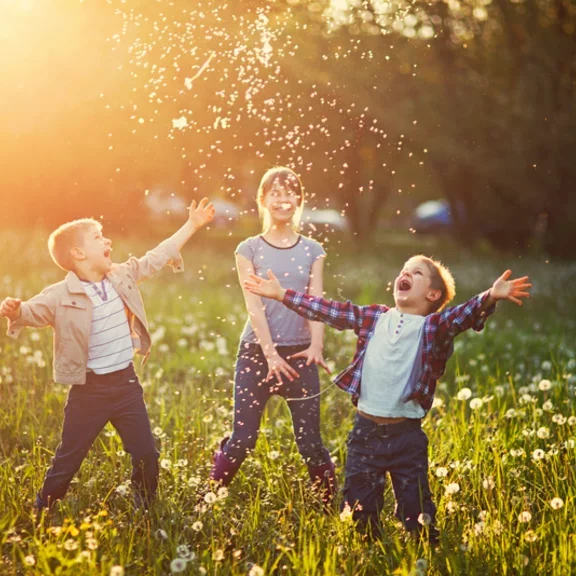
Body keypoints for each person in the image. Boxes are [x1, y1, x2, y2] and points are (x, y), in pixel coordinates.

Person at [244, 256, 531, 540]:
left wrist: (490, 296)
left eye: (416, 273)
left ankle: (424, 552)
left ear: (433, 294)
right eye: (403, 270)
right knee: (360, 508)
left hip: (407, 436)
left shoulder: (433, 327)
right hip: (365, 433)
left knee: (417, 511)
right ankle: (369, 551)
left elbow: (462, 315)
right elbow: (330, 311)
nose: (404, 274)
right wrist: (282, 294)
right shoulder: (374, 318)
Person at [0, 199, 215, 511]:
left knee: (146, 454)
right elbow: (33, 312)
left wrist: (192, 224)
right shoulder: (61, 294)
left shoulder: (121, 275)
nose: (108, 241)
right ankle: (42, 507)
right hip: (89, 391)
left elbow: (158, 256)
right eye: (99, 237)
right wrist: (15, 309)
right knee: (69, 457)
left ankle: (146, 508)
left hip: (126, 385)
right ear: (78, 253)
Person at [209, 166, 335, 503]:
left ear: (299, 200)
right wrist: (270, 355)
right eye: (275, 192)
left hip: (300, 355)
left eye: (289, 192)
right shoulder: (248, 248)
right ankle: (209, 496)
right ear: (263, 200)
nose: (282, 198)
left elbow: (316, 302)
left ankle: (332, 509)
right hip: (256, 354)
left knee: (310, 443)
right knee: (243, 440)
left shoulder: (313, 249)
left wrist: (317, 345)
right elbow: (254, 306)